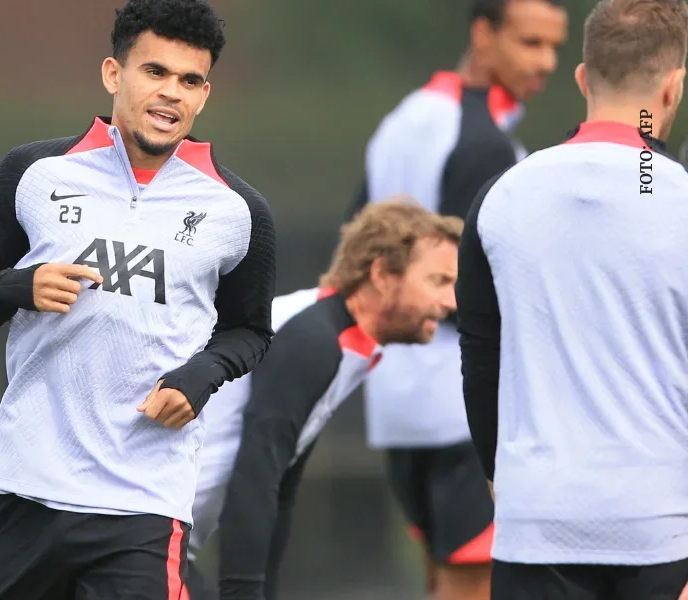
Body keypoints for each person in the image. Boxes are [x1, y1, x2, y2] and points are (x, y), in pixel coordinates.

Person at [0, 1, 277, 598]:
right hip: (31, 490)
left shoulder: (239, 211)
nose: (171, 92)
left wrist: (200, 376)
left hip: (145, 503)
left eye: (189, 80)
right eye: (154, 72)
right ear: (113, 74)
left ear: (204, 95)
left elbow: (250, 332)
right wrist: (21, 286)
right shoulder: (33, 173)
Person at [456, 0, 688, 598]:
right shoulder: (679, 198)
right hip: (660, 531)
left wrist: (501, 478)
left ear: (583, 78)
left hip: (536, 526)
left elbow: (481, 365)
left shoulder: (501, 196)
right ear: (673, 87)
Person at [344, 1, 567, 598]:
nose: (545, 63)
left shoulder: (405, 118)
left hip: (396, 402)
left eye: (554, 47)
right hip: (463, 408)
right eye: (529, 43)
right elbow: (483, 289)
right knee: (476, 586)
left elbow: (355, 245)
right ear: (482, 33)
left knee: (446, 583)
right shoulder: (485, 144)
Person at [181, 199, 462, 600]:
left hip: (158, 543)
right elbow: (255, 474)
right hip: (134, 534)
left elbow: (278, 488)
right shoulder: (313, 338)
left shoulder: (339, 340)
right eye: (439, 281)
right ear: (382, 273)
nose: (451, 302)